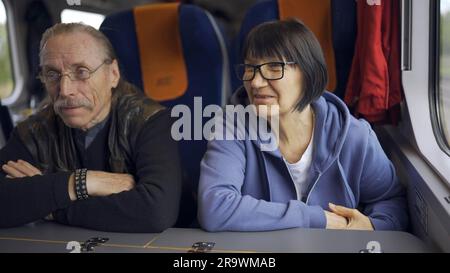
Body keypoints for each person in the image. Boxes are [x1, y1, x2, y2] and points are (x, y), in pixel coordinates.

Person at [198, 19, 409, 232]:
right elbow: (214, 208)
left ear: (309, 74)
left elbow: (392, 202)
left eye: (273, 67)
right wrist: (317, 218)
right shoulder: (231, 128)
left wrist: (372, 226)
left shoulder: (355, 136)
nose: (255, 82)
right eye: (250, 68)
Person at [0, 23, 182, 232]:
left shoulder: (149, 120)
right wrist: (83, 182)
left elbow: (156, 211)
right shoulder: (33, 132)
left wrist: (50, 206)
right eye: (52, 74)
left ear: (113, 74)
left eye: (82, 72)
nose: (65, 90)